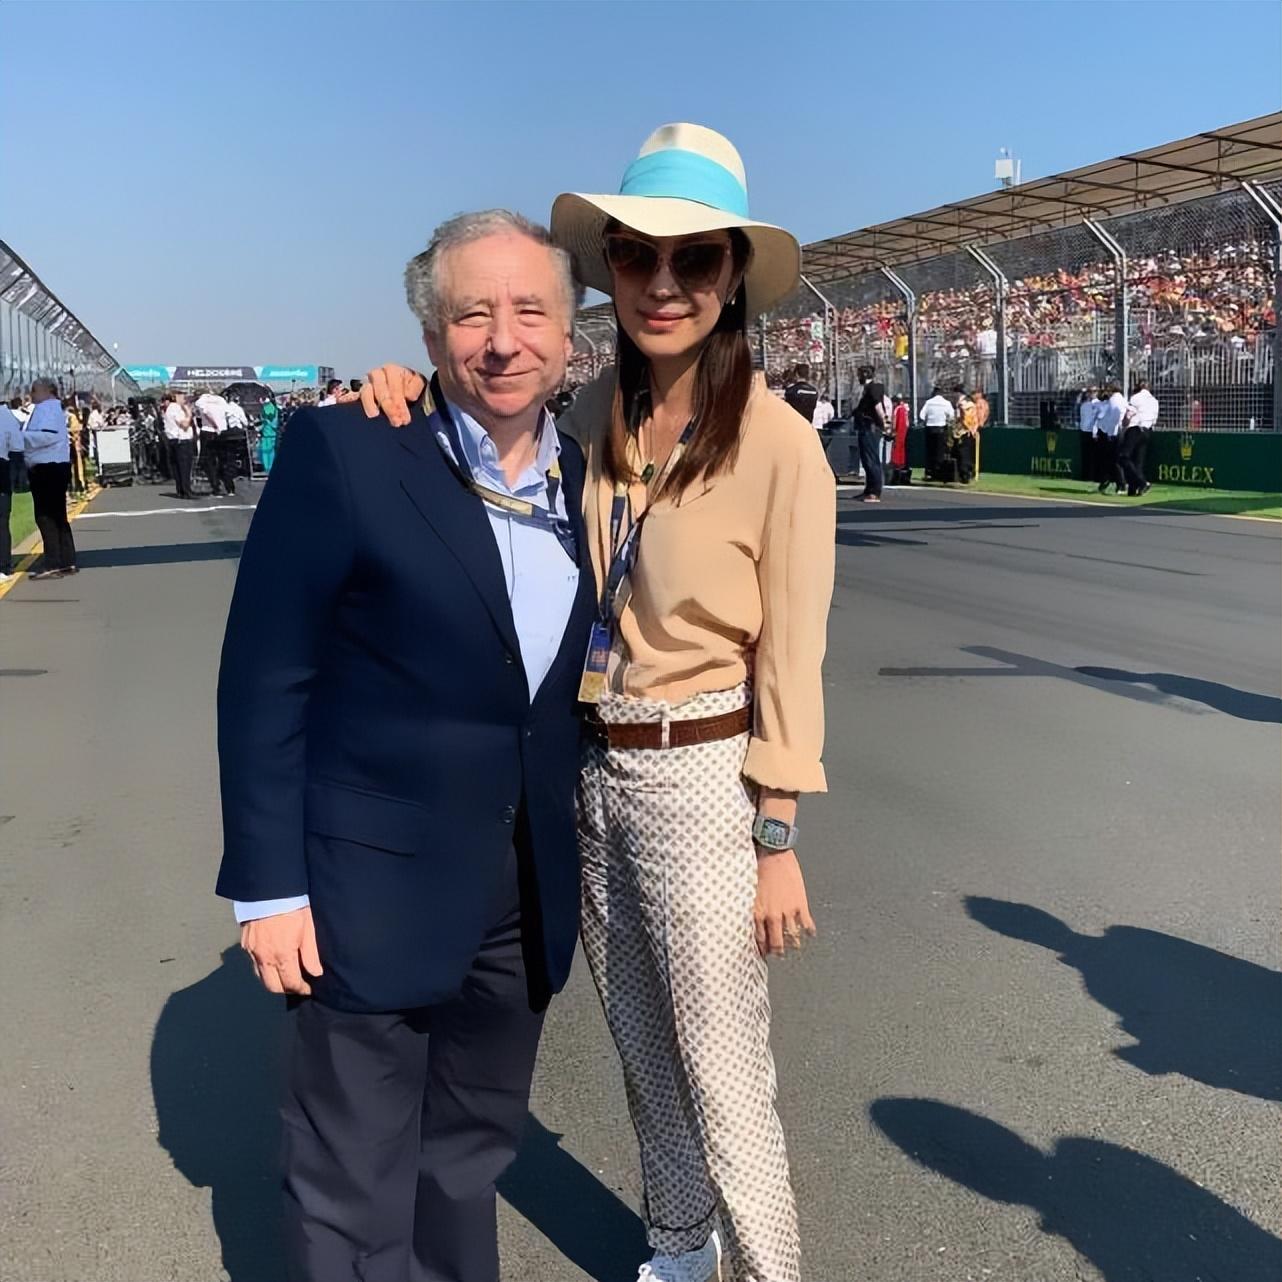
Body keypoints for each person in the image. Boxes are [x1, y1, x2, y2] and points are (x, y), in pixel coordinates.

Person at [362, 122, 835, 1282]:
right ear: (610, 270)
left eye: (694, 259)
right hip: (591, 765)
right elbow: (476, 456)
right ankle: (676, 1245)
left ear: (733, 276)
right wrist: (406, 393)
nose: (662, 284)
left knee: (724, 1068)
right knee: (642, 1050)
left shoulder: (778, 446)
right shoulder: (589, 423)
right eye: (635, 255)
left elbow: (793, 656)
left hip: (704, 772)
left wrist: (778, 835)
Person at [218, 210, 595, 1282]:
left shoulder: (587, 479)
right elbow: (265, 676)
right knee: (352, 1182)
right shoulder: (349, 450)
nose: (504, 340)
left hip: (519, 893)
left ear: (569, 336)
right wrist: (268, 888)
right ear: (430, 337)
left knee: (468, 1158)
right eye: (472, 314)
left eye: (531, 311)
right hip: (365, 887)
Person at [23, 379, 77, 579]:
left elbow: (47, 436)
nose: (31, 394)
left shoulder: (46, 408)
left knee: (46, 516)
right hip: (55, 466)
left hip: (46, 467)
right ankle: (67, 560)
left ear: (47, 391)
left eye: (34, 390)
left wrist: (20, 438)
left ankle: (53, 562)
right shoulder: (52, 409)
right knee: (58, 515)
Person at [194, 387, 239, 497]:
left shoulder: (200, 401)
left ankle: (216, 487)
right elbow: (229, 414)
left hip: (208, 430)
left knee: (208, 461)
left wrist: (214, 425)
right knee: (224, 460)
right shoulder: (221, 400)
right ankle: (230, 487)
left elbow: (205, 414)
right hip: (223, 431)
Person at [853, 363, 888, 502]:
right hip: (864, 427)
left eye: (860, 375)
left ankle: (875, 491)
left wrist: (885, 423)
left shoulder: (873, 388)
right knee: (866, 460)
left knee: (871, 459)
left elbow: (878, 406)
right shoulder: (867, 390)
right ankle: (868, 489)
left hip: (870, 427)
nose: (858, 378)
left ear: (865, 374)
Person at [1119, 379, 1159, 496]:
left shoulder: (1135, 398)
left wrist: (1124, 423)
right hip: (1147, 430)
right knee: (1138, 462)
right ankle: (1133, 489)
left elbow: (1128, 415)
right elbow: (1154, 420)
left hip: (1135, 429)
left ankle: (1142, 483)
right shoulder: (1154, 401)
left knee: (1123, 457)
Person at [0, 399, 24, 580]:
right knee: (1, 521)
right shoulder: (6, 416)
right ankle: (4, 566)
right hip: (2, 467)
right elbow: (17, 446)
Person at [1094, 382, 1128, 494]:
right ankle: (1107, 481)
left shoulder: (1114, 400)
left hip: (1114, 432)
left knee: (1114, 460)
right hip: (1115, 431)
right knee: (1110, 460)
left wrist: (1110, 433)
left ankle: (1120, 485)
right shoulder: (1120, 399)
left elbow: (1114, 418)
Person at [163, 391, 196, 500]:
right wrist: (188, 413)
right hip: (182, 440)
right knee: (184, 467)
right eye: (182, 397)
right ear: (175, 397)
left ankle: (181, 490)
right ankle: (186, 490)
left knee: (177, 467)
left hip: (174, 441)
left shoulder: (169, 409)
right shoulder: (175, 408)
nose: (184, 399)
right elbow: (184, 424)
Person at [919, 385, 955, 480]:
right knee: (940, 452)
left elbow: (921, 415)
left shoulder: (929, 403)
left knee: (930, 452)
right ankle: (939, 472)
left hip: (930, 428)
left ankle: (929, 472)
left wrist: (928, 419)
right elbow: (952, 416)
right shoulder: (946, 403)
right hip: (941, 428)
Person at [951, 387, 978, 483]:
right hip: (967, 431)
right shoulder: (970, 404)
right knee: (963, 453)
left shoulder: (963, 405)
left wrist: (969, 428)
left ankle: (965, 474)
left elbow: (963, 418)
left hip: (963, 432)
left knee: (963, 453)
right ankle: (965, 472)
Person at [1077, 385, 1101, 483]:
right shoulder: (1084, 405)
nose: (1091, 394)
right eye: (1090, 392)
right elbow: (1082, 418)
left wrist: (1095, 432)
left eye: (1094, 391)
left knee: (1094, 456)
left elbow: (1098, 419)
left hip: (1094, 433)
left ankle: (1095, 476)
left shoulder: (1099, 404)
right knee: (1085, 455)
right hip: (1084, 431)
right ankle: (1085, 476)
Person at [66, 399, 86, 495]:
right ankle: (74, 486)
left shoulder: (70, 417)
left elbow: (75, 431)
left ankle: (74, 486)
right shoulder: (70, 417)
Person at [257, 396, 279, 473]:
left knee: (266, 451)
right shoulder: (273, 408)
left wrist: (259, 428)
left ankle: (268, 468)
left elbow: (268, 418)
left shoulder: (268, 408)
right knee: (270, 451)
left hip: (268, 434)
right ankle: (270, 467)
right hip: (271, 433)